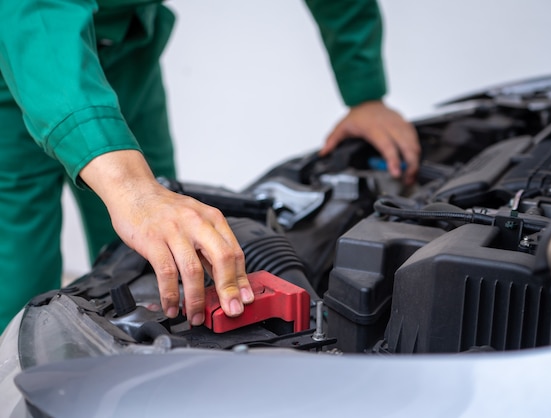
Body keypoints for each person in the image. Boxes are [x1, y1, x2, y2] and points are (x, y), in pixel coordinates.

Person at [0, 0, 419, 332]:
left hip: (128, 51)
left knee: (157, 251)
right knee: (18, 277)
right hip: (17, 54)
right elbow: (37, 18)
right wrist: (134, 191)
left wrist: (365, 93)